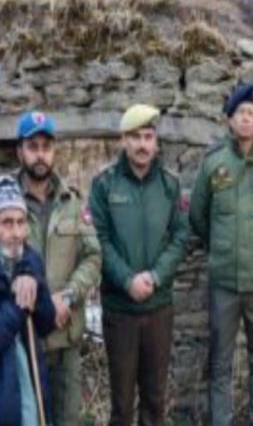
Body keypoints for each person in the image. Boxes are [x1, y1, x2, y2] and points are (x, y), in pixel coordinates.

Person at [190, 83, 253, 426]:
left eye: (252, 113)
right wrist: (222, 244)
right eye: (241, 113)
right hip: (224, 282)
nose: (247, 118)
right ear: (230, 120)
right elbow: (197, 216)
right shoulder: (213, 162)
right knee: (220, 361)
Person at [89, 104, 189, 426]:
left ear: (156, 142)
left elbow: (180, 236)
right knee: (121, 405)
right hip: (120, 311)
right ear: (123, 141)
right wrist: (127, 280)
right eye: (135, 137)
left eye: (148, 137)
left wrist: (157, 276)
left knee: (155, 401)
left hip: (158, 309)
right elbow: (98, 240)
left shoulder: (170, 185)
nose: (142, 144)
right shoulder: (104, 184)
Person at [15, 110, 101, 426]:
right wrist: (37, 301)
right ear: (20, 151)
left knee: (67, 419)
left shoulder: (72, 202)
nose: (40, 155)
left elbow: (93, 257)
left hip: (65, 339)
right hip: (23, 338)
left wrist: (67, 296)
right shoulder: (7, 204)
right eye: (33, 146)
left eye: (46, 147)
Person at [0, 175, 56, 426]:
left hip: (31, 386)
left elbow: (46, 323)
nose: (15, 233)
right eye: (6, 222)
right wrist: (18, 304)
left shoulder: (29, 260)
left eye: (21, 222)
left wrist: (37, 287)